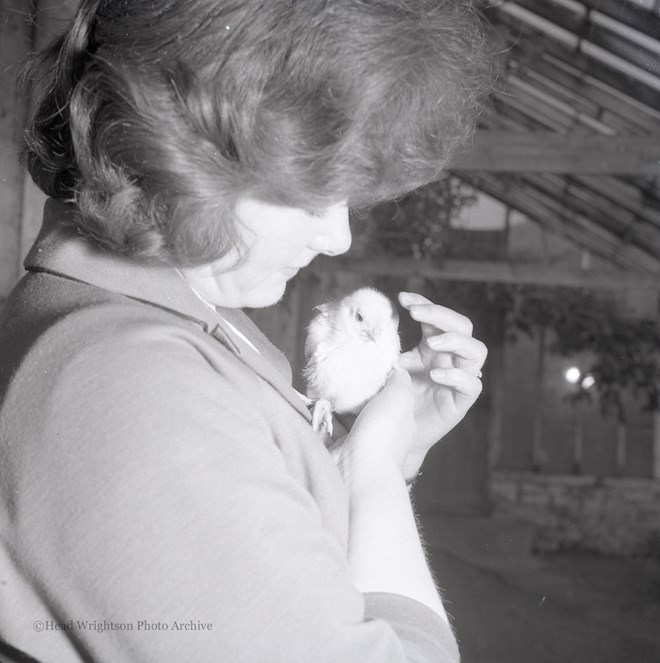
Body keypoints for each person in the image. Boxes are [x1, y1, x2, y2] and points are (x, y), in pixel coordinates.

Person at [0, 1, 492, 661]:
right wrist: (373, 474)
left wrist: (364, 451)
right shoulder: (139, 390)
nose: (338, 234)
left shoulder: (172, 326)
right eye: (311, 188)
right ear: (187, 155)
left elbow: (279, 568)